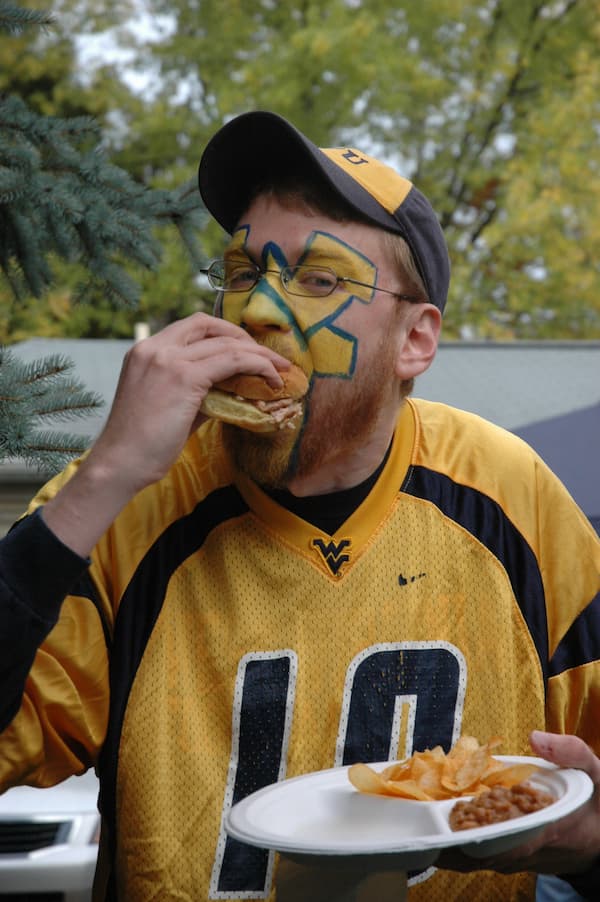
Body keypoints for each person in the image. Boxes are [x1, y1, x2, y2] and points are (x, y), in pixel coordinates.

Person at [0, 110, 599, 902]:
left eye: (320, 280)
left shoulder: (510, 494)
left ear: (415, 341)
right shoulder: (123, 499)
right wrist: (104, 476)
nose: (254, 313)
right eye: (244, 274)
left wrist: (590, 843)